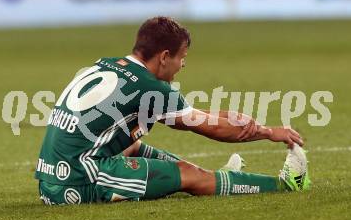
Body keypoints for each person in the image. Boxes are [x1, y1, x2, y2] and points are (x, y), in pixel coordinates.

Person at [35, 16, 311, 205]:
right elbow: (210, 127)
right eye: (182, 58)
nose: (183, 65)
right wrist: (268, 132)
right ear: (165, 56)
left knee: (132, 145)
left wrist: (237, 119)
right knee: (188, 175)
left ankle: (218, 177)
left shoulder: (108, 64)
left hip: (51, 179)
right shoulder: (151, 88)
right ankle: (284, 185)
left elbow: (194, 116)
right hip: (78, 183)